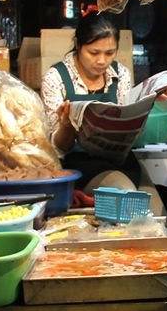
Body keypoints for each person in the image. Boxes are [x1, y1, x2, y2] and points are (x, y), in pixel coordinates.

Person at [40, 12, 158, 206]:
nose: (102, 61)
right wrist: (67, 125)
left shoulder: (121, 75)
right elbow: (58, 149)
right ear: (78, 45)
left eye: (110, 53)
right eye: (94, 53)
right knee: (127, 196)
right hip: (79, 165)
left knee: (155, 205)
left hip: (120, 160)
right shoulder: (56, 78)